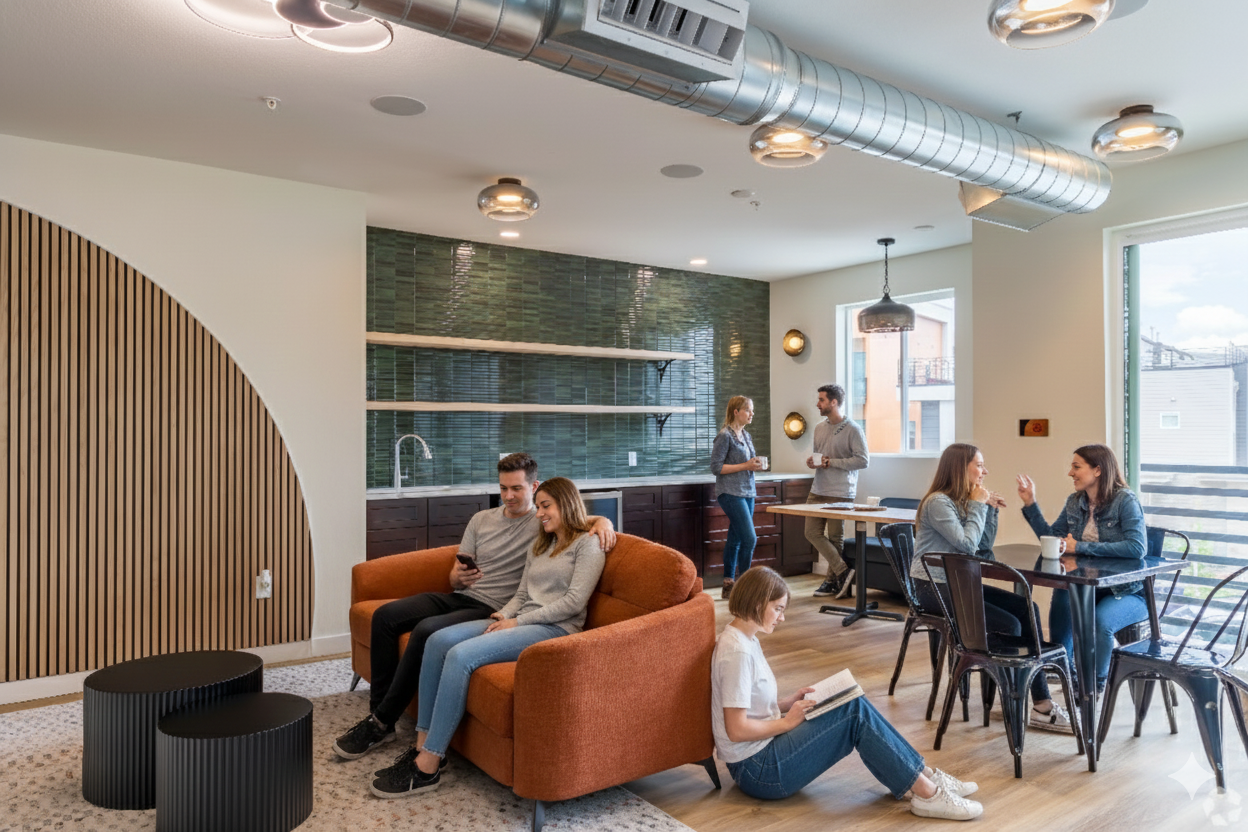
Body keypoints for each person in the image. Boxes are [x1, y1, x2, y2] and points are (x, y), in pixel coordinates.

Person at [333, 454, 615, 761]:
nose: (509, 496)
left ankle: (393, 729)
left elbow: (574, 520)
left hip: (492, 606)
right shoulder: (485, 520)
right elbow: (457, 570)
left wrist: (604, 520)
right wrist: (457, 575)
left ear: (533, 487)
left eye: (517, 489)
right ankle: (380, 715)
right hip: (461, 595)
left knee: (428, 633)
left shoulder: (540, 525)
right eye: (503, 488)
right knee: (385, 616)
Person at [713, 566, 983, 821]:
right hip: (759, 771)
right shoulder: (737, 652)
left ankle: (923, 776)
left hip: (762, 756)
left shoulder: (746, 638)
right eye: (778, 609)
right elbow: (736, 729)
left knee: (853, 699)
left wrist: (787, 703)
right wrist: (787, 722)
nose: (782, 617)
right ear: (759, 603)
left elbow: (748, 706)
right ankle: (928, 793)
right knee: (853, 712)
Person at [910, 444, 1071, 733]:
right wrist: (977, 505)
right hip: (932, 588)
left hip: (959, 585)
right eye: (980, 465)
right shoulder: (938, 503)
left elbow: (982, 546)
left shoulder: (961, 501)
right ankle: (1015, 698)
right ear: (962, 468)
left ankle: (1039, 703)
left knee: (1027, 608)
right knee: (1008, 623)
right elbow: (967, 545)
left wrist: (989, 511)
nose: (985, 471)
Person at [1017, 444, 1148, 696]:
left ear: (1097, 470)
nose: (1070, 473)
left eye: (1076, 467)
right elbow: (1052, 540)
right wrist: (1030, 503)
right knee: (1064, 590)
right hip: (1090, 588)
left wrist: (1082, 546)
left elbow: (1136, 547)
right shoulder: (1075, 502)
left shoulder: (1125, 501)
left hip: (1126, 592)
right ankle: (1063, 668)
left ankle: (1093, 686)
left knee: (1100, 621)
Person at [806, 384, 869, 599]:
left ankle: (831, 582)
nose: (818, 404)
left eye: (821, 400)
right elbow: (820, 456)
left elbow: (863, 460)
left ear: (834, 402)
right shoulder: (818, 428)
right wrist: (814, 462)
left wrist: (831, 462)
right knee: (811, 532)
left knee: (835, 538)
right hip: (818, 489)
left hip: (841, 491)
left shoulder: (853, 429)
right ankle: (843, 571)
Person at [711, 395, 765, 599]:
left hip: (748, 491)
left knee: (735, 538)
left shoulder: (746, 436)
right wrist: (746, 465)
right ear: (736, 412)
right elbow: (716, 467)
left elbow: (748, 463)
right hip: (730, 493)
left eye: (752, 410)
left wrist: (754, 466)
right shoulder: (725, 436)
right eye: (748, 410)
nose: (752, 414)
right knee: (749, 538)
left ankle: (728, 585)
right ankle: (745, 587)